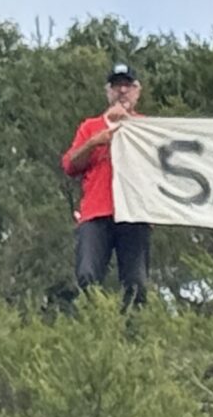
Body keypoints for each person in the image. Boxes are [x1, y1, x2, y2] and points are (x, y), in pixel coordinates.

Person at [60, 62, 150, 306]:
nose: (122, 91)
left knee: (136, 283)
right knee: (87, 275)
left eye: (128, 86)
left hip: (133, 213)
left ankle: (132, 336)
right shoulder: (90, 127)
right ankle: (95, 328)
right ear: (108, 91)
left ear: (137, 90)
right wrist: (93, 143)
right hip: (96, 213)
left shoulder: (147, 128)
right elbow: (69, 165)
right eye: (117, 86)